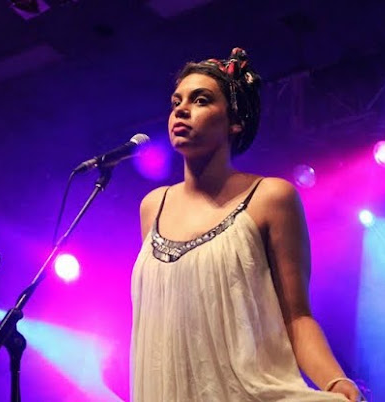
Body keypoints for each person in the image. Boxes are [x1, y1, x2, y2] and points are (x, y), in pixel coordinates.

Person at [130, 48, 365, 401]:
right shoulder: (153, 206)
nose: (181, 109)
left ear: (235, 121)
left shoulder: (270, 197)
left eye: (201, 100)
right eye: (177, 101)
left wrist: (335, 383)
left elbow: (297, 317)